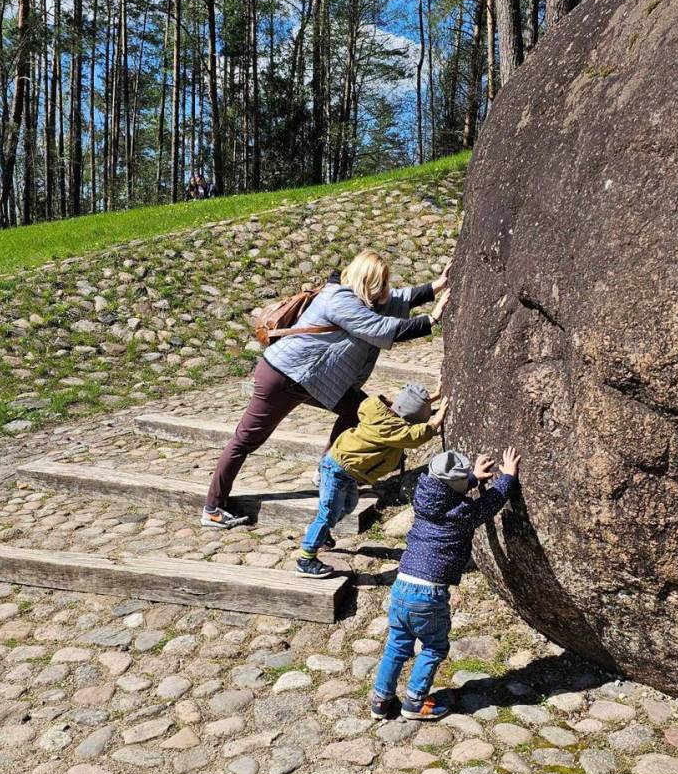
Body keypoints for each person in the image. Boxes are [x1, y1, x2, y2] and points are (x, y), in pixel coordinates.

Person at [201, 249, 451, 528]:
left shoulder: (357, 297)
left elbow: (393, 300)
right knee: (245, 440)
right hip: (281, 377)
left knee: (360, 410)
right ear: (368, 281)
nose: (385, 288)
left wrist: (435, 287)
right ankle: (213, 507)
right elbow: (380, 328)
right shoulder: (339, 299)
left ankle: (326, 470)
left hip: (315, 381)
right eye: (381, 282)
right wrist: (431, 320)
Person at [371, 446, 521, 721]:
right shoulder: (461, 513)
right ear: (457, 487)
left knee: (397, 645)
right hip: (428, 593)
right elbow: (490, 504)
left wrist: (473, 478)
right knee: (434, 647)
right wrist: (508, 477)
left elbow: (448, 491)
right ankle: (414, 702)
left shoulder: (424, 496)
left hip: (402, 584)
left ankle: (380, 700)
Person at [296, 382, 448, 578]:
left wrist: (432, 397)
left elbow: (404, 406)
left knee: (349, 505)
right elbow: (414, 436)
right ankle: (306, 559)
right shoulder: (391, 429)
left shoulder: (380, 414)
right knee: (328, 513)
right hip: (338, 469)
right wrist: (435, 421)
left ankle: (319, 531)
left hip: (347, 471)